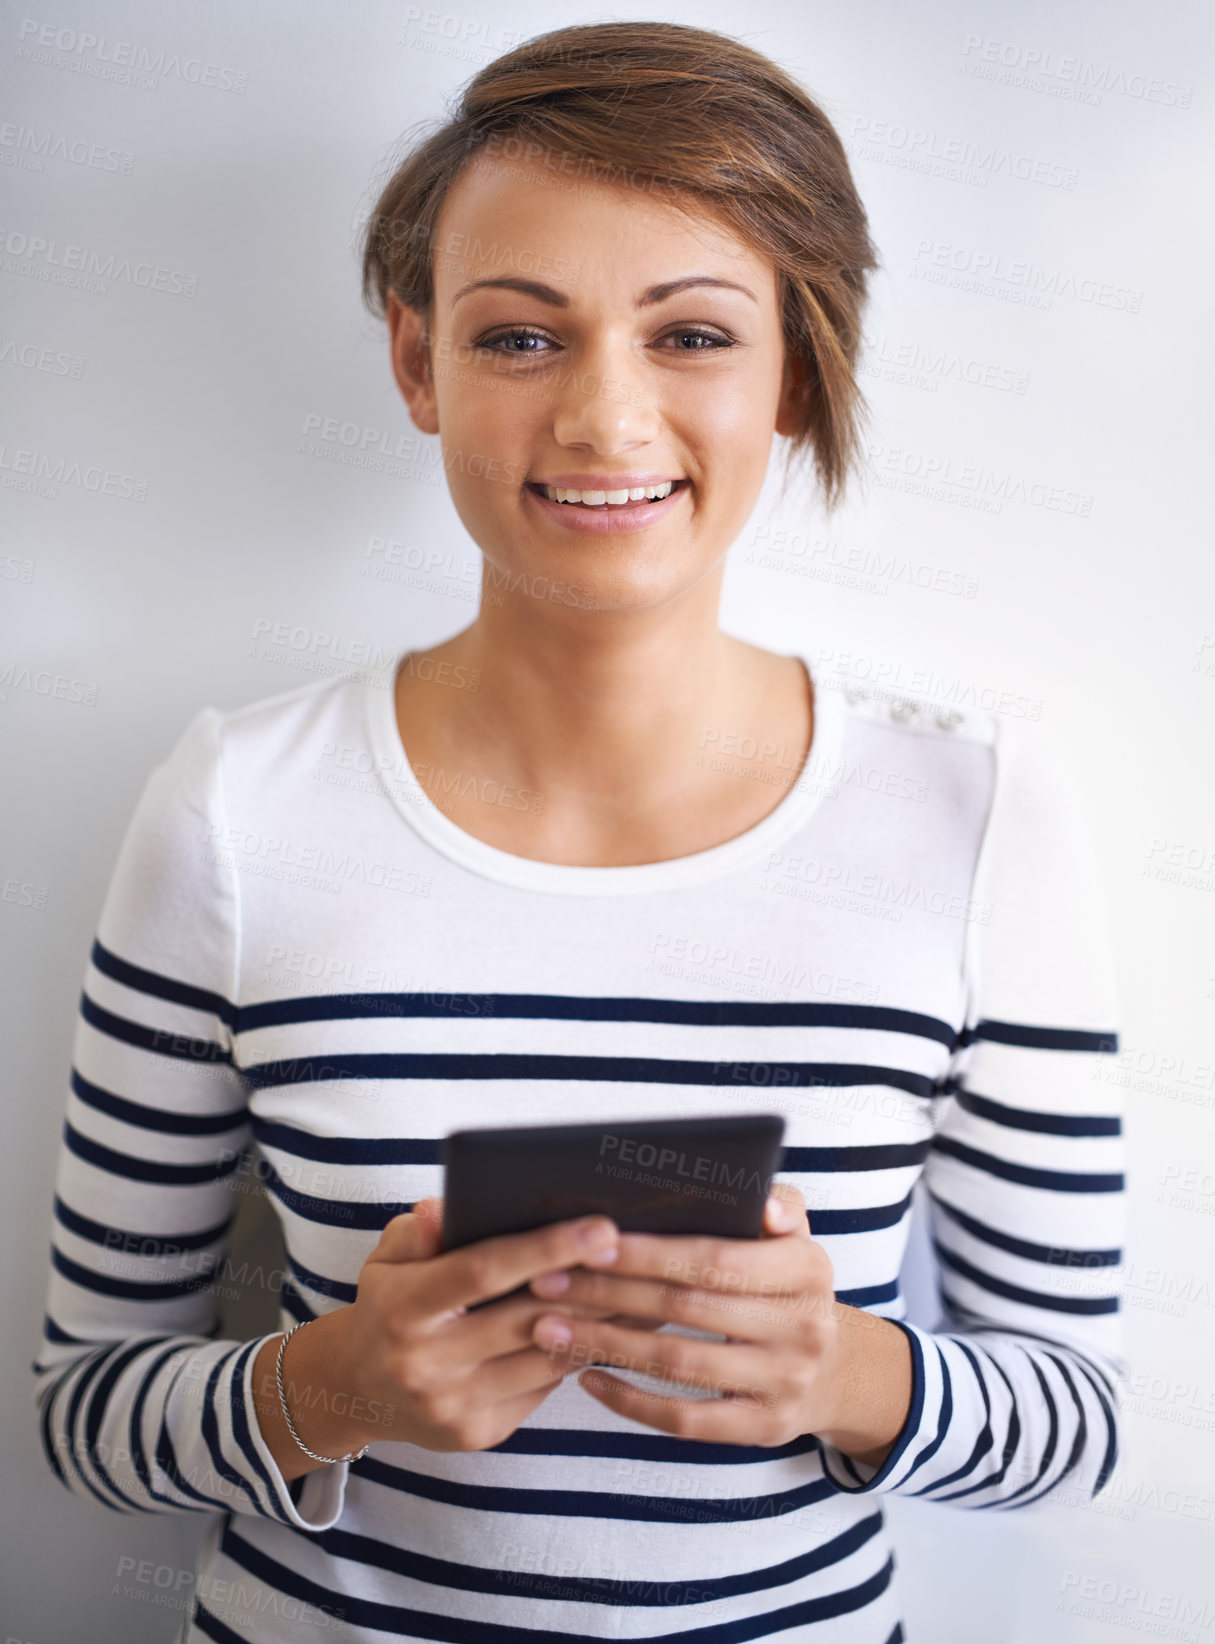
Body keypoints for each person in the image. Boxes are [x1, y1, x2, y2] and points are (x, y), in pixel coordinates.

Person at [31, 20, 1126, 1642]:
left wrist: (841, 1373)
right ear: (417, 361)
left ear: (799, 372)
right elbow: (83, 1416)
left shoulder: (976, 810)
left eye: (692, 334)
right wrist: (326, 1388)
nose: (606, 420)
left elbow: (1077, 1423)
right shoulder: (233, 809)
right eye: (520, 339)